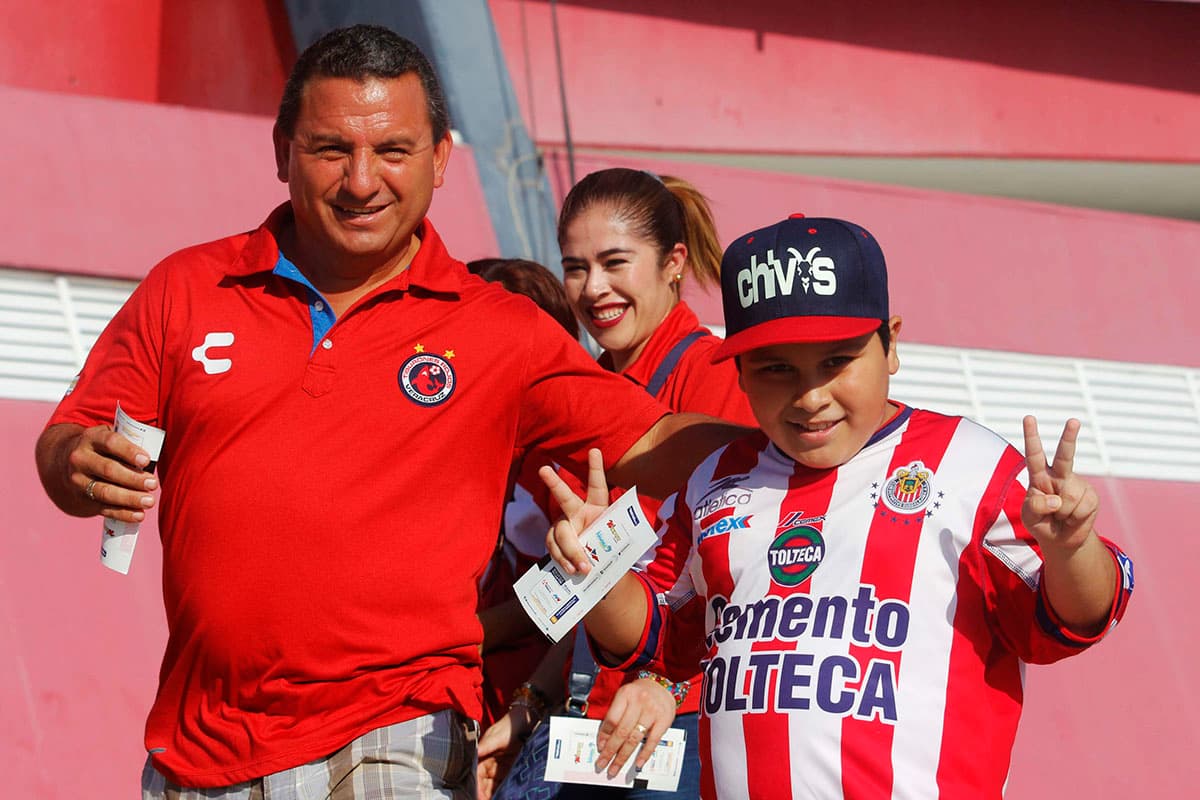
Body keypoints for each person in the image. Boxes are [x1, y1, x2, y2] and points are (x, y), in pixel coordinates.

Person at [33, 25, 746, 800]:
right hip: (198, 744)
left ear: (441, 158)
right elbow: (69, 442)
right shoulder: (187, 287)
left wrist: (830, 437)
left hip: (396, 728)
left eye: (394, 151)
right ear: (281, 151)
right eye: (331, 149)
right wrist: (76, 463)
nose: (362, 180)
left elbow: (660, 438)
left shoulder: (500, 331)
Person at [543, 215, 1135, 799]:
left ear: (891, 344)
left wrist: (1071, 549)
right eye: (777, 369)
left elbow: (1070, 623)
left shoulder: (971, 464)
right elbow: (659, 637)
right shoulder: (713, 480)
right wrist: (596, 571)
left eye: (837, 361)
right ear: (740, 374)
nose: (810, 395)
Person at [485, 169, 758, 799]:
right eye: (575, 268)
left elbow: (750, 567)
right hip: (586, 716)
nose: (593, 288)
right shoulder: (585, 386)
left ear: (672, 262)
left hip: (679, 724)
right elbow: (594, 587)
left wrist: (669, 684)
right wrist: (533, 699)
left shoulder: (720, 375)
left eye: (614, 262)